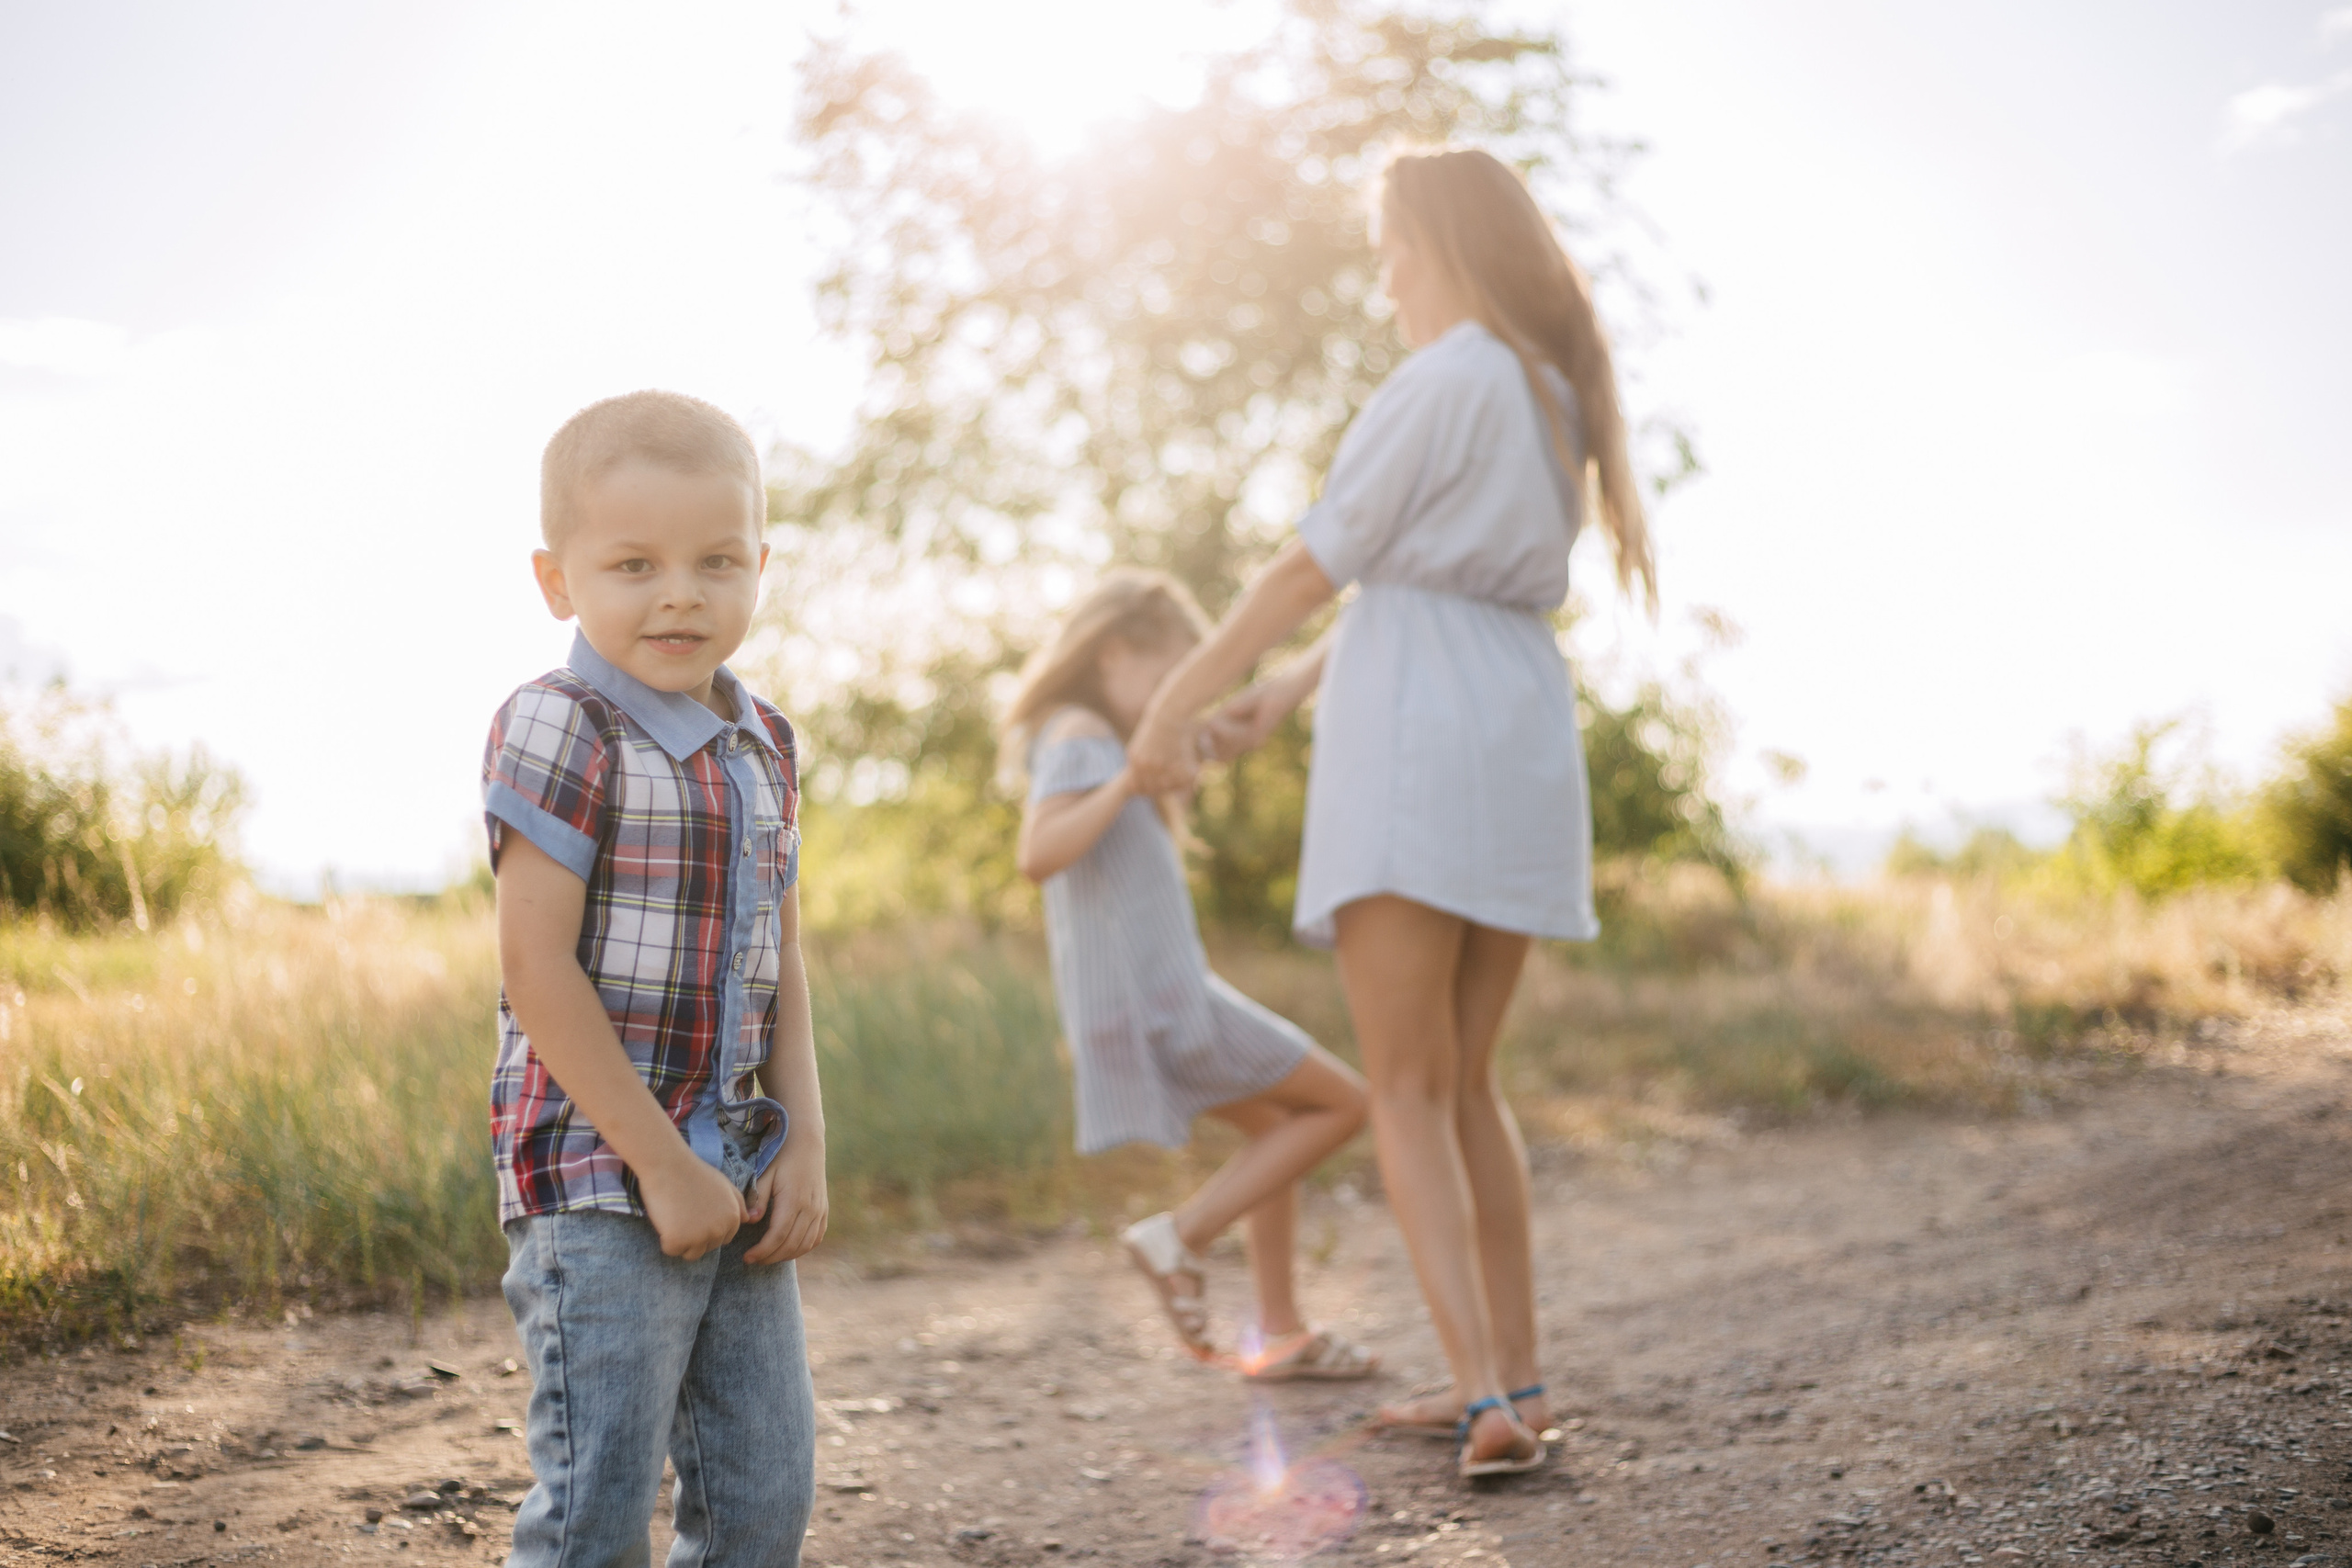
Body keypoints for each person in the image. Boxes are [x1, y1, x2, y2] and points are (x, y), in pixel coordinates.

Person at [1126, 147, 1657, 1480]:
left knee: (1407, 1087)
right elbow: (1440, 580)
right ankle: (1516, 1381)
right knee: (1468, 1079)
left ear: (1440, 243)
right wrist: (1287, 694)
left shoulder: (1446, 373)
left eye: (1390, 252)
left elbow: (1317, 563)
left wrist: (1183, 695)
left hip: (1419, 740)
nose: (1384, 280)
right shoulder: (1549, 392)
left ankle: (1479, 1393)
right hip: (1516, 722)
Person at [482, 390, 827, 1566]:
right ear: (558, 579)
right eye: (634, 563)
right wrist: (661, 1164)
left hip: (732, 1169)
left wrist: (805, 1144)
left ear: (759, 567)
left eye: (716, 560)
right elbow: (535, 969)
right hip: (598, 1181)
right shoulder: (559, 724)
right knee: (596, 1507)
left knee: (762, 1496)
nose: (679, 591)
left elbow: (780, 960)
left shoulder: (765, 740)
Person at [1005, 570, 1379, 1382]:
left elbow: (1225, 730)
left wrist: (1313, 656)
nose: (1182, 695)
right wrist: (1127, 783)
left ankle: (1281, 1331)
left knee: (1278, 1122)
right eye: (1171, 677)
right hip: (1163, 1001)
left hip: (1145, 999)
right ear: (1114, 656)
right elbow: (1039, 853)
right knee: (1347, 1101)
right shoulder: (1081, 735)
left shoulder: (1118, 737)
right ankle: (1180, 1234)